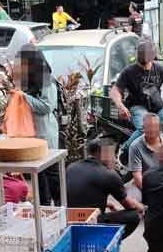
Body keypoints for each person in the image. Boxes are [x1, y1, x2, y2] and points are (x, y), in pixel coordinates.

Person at [112, 39, 163, 151]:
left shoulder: (160, 69)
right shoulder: (129, 71)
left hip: (158, 107)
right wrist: (120, 105)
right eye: (141, 53)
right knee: (145, 127)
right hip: (137, 107)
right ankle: (126, 149)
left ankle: (156, 148)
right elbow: (115, 90)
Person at [10, 45, 62, 205]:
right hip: (31, 134)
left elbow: (47, 107)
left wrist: (23, 96)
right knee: (38, 175)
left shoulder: (47, 81)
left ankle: (62, 206)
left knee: (52, 174)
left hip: (46, 135)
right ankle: (44, 209)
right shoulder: (28, 81)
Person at [66, 138, 145, 240]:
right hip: (91, 222)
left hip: (70, 220)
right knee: (134, 215)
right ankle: (107, 242)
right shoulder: (109, 174)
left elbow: (81, 194)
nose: (115, 159)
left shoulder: (71, 167)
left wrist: (108, 204)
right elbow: (129, 205)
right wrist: (143, 208)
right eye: (113, 154)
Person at [128, 113, 163, 191]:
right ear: (143, 128)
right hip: (146, 183)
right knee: (131, 197)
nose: (152, 129)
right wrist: (151, 193)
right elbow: (137, 176)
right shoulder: (135, 146)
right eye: (149, 126)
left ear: (160, 127)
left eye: (155, 126)